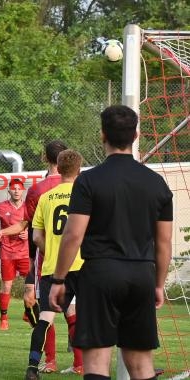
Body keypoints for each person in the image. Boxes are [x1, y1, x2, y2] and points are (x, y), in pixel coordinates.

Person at [49, 105, 173, 380]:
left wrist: (59, 280)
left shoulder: (88, 181)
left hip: (101, 274)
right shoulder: (156, 184)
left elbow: (73, 235)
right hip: (142, 273)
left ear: (102, 134)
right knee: (142, 366)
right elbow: (164, 243)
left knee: (96, 364)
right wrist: (158, 284)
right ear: (136, 134)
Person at [0, 140, 68, 373]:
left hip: (47, 257)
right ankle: (82, 364)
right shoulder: (81, 185)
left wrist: (31, 261)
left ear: (43, 157)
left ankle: (47, 362)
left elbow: (29, 228)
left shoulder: (39, 190)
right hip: (77, 256)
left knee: (45, 312)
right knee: (76, 311)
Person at [24, 149, 85, 380]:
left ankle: (32, 367)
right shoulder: (84, 195)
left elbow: (36, 237)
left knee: (44, 320)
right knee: (85, 316)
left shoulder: (46, 198)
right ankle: (88, 365)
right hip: (80, 265)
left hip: (52, 268)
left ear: (57, 169)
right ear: (79, 170)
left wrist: (52, 251)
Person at [0, 178, 29, 330]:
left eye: (19, 188)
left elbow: (39, 224)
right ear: (9, 190)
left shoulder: (29, 207)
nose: (16, 191)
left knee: (31, 284)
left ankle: (28, 312)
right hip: (7, 253)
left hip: (25, 253)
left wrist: (28, 233)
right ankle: (4, 318)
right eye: (14, 188)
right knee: (7, 286)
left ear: (23, 190)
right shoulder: (0, 207)